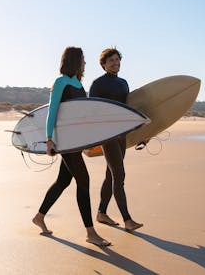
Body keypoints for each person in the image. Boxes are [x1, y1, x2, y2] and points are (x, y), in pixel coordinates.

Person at [32, 46, 111, 247]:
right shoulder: (60, 82)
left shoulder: (78, 84)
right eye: (83, 59)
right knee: (83, 180)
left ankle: (39, 217)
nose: (85, 63)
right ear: (74, 60)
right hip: (64, 141)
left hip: (75, 141)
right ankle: (91, 232)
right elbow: (53, 111)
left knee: (63, 181)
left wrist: (88, 139)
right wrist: (49, 139)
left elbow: (80, 116)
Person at [89, 47, 143, 232]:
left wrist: (143, 134)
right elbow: (91, 110)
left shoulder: (123, 83)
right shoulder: (98, 84)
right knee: (119, 174)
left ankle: (101, 213)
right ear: (103, 64)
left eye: (117, 60)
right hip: (108, 134)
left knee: (110, 174)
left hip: (122, 134)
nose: (115, 63)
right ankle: (127, 220)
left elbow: (128, 111)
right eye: (111, 61)